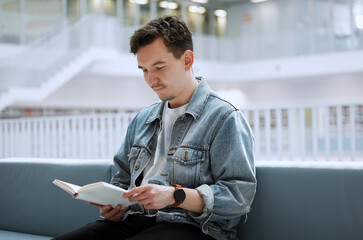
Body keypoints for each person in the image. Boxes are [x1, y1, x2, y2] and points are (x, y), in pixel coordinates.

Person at [53, 15, 256, 240]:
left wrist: (174, 196)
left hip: (192, 227)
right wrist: (114, 206)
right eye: (144, 70)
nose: (151, 80)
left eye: (159, 67)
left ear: (187, 60)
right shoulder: (143, 119)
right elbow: (121, 177)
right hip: (136, 220)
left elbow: (239, 196)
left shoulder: (224, 117)